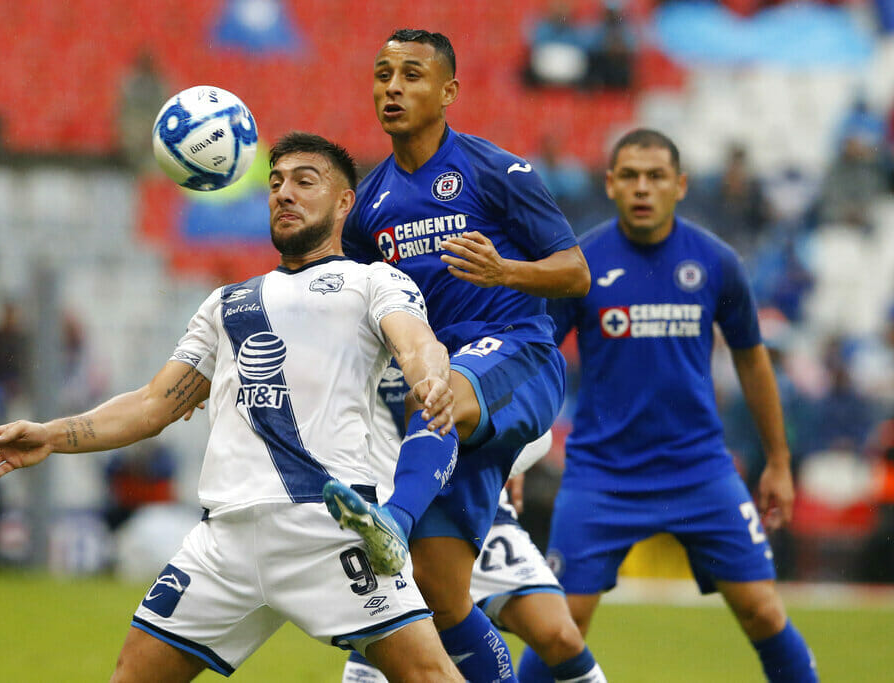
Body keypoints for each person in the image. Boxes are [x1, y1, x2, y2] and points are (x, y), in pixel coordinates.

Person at [0, 132, 464, 683]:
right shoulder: (227, 303)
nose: (284, 194)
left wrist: (430, 378)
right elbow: (153, 403)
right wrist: (53, 435)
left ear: (345, 203)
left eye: (304, 181)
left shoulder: (373, 282)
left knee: (429, 677)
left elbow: (417, 343)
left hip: (328, 528)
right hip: (224, 542)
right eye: (275, 183)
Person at [332, 29, 591, 683]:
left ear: (448, 90)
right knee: (442, 591)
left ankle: (389, 519)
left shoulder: (495, 170)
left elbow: (576, 271)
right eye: (383, 73)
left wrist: (505, 271)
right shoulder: (367, 209)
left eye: (412, 75)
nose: (392, 87)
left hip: (519, 355)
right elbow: (366, 312)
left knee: (439, 384)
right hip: (443, 400)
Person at [544, 129, 818, 682]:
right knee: (560, 627)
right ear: (611, 184)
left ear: (681, 185)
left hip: (698, 470)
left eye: (656, 176)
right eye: (630, 176)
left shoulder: (716, 262)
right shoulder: (579, 265)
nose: (643, 188)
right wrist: (516, 456)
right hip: (603, 474)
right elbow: (536, 361)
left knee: (761, 609)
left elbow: (753, 361)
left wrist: (780, 462)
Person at [341, 366, 606, 682]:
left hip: (477, 508)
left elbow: (539, 432)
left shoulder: (463, 333)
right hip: (394, 516)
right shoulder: (361, 339)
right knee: (385, 653)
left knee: (561, 635)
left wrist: (504, 464)